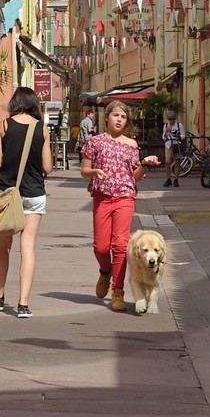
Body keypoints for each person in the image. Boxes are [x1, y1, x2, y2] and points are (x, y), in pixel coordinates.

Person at [79, 100, 161, 312]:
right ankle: (105, 271)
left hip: (125, 197)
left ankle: (118, 291)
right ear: (106, 117)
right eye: (116, 115)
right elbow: (84, 170)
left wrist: (144, 164)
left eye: (123, 117)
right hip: (102, 197)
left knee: (119, 246)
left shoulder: (132, 145)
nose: (119, 120)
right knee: (101, 247)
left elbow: (135, 175)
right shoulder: (94, 142)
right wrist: (94, 172)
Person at [0, 86, 52, 318]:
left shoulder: (4, 126)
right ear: (35, 103)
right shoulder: (42, 129)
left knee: (3, 247)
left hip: (7, 195)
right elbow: (47, 167)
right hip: (34, 194)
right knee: (28, 248)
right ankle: (23, 304)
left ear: (15, 103)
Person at [161, 109, 188, 187]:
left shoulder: (179, 125)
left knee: (177, 161)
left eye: (173, 119)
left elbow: (183, 136)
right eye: (170, 119)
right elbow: (163, 137)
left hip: (177, 144)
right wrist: (166, 132)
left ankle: (176, 179)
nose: (171, 121)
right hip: (169, 144)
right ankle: (168, 179)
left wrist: (178, 136)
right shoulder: (166, 126)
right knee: (167, 162)